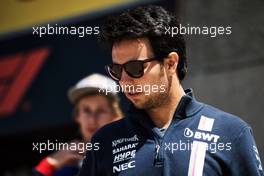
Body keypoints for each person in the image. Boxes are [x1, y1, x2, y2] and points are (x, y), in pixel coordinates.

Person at [78, 5, 264, 176]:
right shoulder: (104, 141)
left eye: (135, 68)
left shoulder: (231, 132)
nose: (124, 81)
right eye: (117, 70)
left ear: (170, 63)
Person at [33, 73, 122, 176]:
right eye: (86, 111)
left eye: (101, 111)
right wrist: (50, 163)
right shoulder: (67, 169)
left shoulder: (132, 155)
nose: (92, 120)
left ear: (116, 116)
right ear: (77, 116)